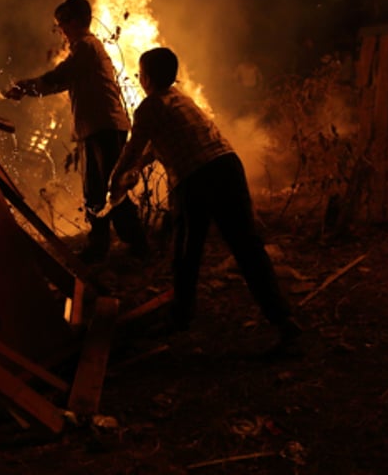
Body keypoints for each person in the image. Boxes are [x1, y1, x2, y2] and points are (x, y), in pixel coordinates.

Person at [107, 47, 302, 355]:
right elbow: (162, 146)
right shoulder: (183, 99)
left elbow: (133, 149)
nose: (139, 78)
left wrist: (114, 182)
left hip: (196, 177)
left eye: (141, 73)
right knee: (247, 246)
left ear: (147, 78)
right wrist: (138, 168)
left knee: (186, 251)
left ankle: (180, 317)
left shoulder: (148, 108)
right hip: (227, 165)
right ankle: (284, 320)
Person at [3, 0, 149, 262]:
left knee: (110, 187)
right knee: (95, 189)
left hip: (105, 128)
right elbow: (60, 83)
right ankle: (103, 245)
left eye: (64, 22)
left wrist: (24, 87)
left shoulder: (87, 47)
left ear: (80, 20)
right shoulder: (83, 49)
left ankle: (135, 242)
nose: (62, 29)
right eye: (59, 24)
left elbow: (59, 78)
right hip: (95, 129)